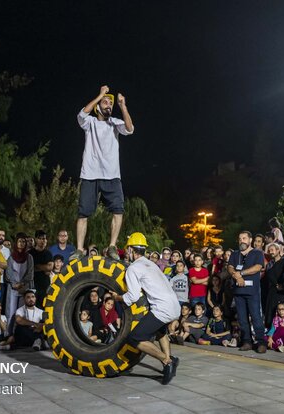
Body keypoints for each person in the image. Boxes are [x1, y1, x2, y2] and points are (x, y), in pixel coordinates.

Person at [71, 85, 134, 262]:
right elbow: (82, 114)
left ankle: (112, 245)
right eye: (105, 103)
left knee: (118, 210)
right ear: (98, 106)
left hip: (112, 175)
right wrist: (100, 95)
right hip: (90, 175)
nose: (108, 106)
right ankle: (79, 249)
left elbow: (129, 129)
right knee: (83, 213)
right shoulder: (90, 122)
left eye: (110, 104)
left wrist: (122, 106)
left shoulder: (115, 122)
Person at [110, 232, 180, 385]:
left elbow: (133, 296)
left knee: (134, 338)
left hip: (163, 308)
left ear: (130, 250)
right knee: (160, 331)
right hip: (175, 306)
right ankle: (168, 365)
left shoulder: (133, 268)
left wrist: (118, 298)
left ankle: (166, 360)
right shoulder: (151, 264)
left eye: (128, 249)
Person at [226, 231, 266, 353]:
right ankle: (246, 341)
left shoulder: (257, 253)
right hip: (238, 292)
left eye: (244, 238)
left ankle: (260, 342)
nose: (241, 240)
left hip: (252, 291)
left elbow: (258, 267)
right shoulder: (235, 254)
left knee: (256, 317)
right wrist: (237, 276)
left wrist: (241, 273)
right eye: (239, 238)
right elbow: (230, 267)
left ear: (250, 240)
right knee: (242, 319)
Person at [5, 233, 35, 335]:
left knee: (23, 313)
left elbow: (30, 273)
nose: (21, 243)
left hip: (24, 288)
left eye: (23, 242)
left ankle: (22, 335)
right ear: (16, 243)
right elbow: (8, 273)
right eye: (19, 241)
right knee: (11, 312)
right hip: (13, 288)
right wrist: (14, 284)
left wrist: (22, 284)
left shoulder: (29, 257)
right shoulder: (11, 257)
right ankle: (9, 335)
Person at [263, 242, 284, 328]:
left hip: (281, 291)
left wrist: (282, 286)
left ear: (278, 250)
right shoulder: (269, 264)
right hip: (271, 291)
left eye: (272, 250)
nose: (271, 252)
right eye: (269, 250)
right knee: (271, 312)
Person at [29, 230, 53, 312]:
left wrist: (37, 266)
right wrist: (44, 268)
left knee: (43, 306)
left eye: (44, 239)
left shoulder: (48, 253)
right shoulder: (30, 253)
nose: (43, 240)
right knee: (32, 306)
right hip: (33, 284)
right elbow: (29, 268)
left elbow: (50, 267)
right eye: (41, 238)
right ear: (36, 239)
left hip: (45, 285)